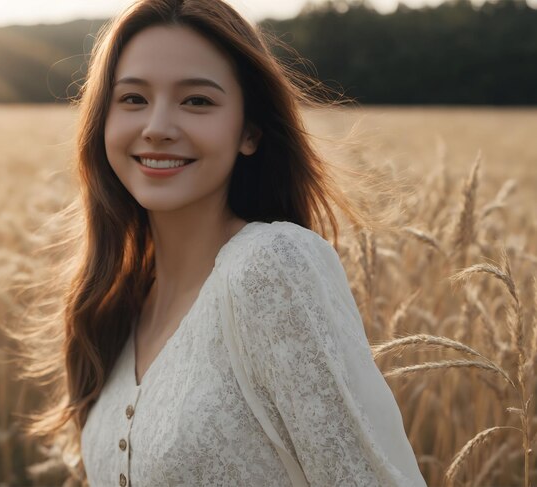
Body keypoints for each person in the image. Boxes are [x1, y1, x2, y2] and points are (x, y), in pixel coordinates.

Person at [21, 0, 428, 485]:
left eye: (197, 101)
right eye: (133, 99)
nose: (157, 128)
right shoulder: (117, 303)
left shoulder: (272, 268)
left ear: (249, 133)